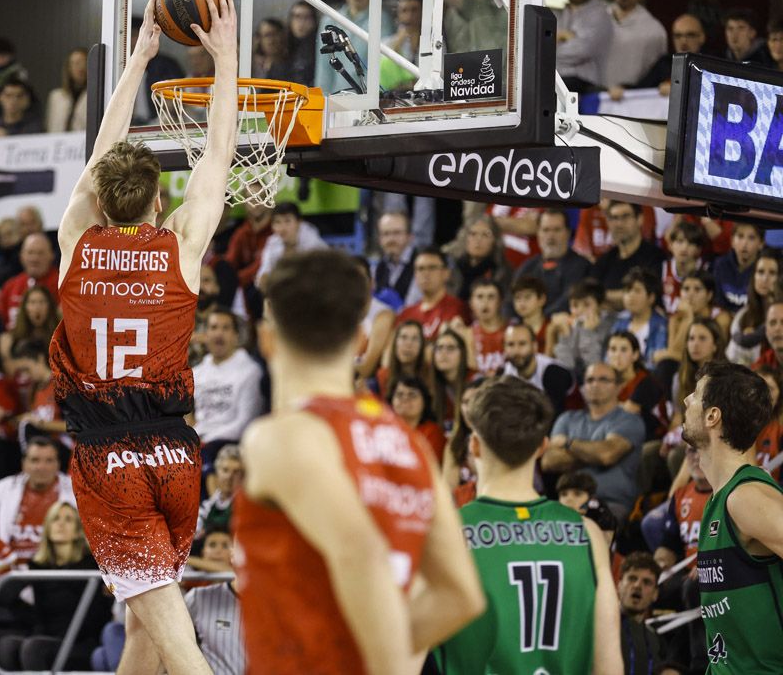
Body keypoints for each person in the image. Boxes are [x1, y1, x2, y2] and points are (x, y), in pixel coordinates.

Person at [47, 0, 239, 675]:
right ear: (160, 199)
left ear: (97, 197)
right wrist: (225, 57)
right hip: (177, 457)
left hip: (108, 460)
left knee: (181, 649)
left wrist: (136, 63)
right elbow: (218, 154)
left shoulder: (76, 240)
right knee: (143, 627)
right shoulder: (181, 246)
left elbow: (100, 155)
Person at [236, 250, 483, 674]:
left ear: (266, 339)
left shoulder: (281, 438)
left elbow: (362, 553)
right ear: (362, 340)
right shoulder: (410, 444)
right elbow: (460, 595)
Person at [434, 375, 622, 675]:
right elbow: (609, 665)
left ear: (474, 446)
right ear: (542, 447)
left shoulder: (448, 534)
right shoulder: (587, 534)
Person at [680, 360, 783, 672]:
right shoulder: (722, 497)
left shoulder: (746, 497)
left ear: (713, 416)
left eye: (695, 395)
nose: (686, 400)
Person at [0, 502, 111, 671]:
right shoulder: (38, 566)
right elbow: (4, 597)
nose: (61, 524)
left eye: (68, 520)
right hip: (47, 637)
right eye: (55, 519)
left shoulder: (93, 564)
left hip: (83, 642)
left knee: (34, 648)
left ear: (78, 531)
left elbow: (100, 611)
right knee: (7, 646)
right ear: (47, 528)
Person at [543, 361, 646, 520]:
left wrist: (568, 444)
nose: (595, 385)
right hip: (568, 503)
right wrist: (593, 454)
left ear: (619, 387)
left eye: (603, 379)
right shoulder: (567, 419)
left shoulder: (630, 421)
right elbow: (549, 461)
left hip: (610, 503)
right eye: (590, 380)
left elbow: (606, 455)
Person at [0, 436, 75, 568]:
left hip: (60, 569)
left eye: (49, 461)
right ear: (24, 464)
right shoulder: (3, 488)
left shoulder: (76, 491)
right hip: (10, 573)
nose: (41, 467)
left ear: (58, 464)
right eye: (35, 460)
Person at [192, 308, 264, 463]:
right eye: (214, 327)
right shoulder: (196, 372)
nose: (219, 333)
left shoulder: (250, 371)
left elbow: (245, 422)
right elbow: (187, 415)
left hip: (229, 445)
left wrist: (205, 440)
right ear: (206, 335)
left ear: (236, 336)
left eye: (225, 328)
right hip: (198, 442)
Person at [512, 209, 591, 315]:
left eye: (557, 230)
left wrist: (539, 320)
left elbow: (567, 302)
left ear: (568, 233)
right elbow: (510, 301)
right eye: (546, 230)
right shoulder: (527, 267)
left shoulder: (582, 266)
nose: (551, 236)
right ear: (538, 233)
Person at [602, 0, 667, 89]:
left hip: (631, 99)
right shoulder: (595, 20)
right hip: (594, 94)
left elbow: (658, 72)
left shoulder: (654, 30)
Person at [555, 0, 614, 92]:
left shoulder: (600, 14)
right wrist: (567, 37)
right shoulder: (560, 14)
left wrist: (552, 46)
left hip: (585, 87)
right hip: (558, 82)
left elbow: (581, 50)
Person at [617, 13, 707, 99]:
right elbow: (641, 89)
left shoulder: (710, 65)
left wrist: (678, 89)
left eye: (690, 35)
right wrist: (623, 90)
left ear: (702, 37)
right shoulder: (664, 63)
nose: (683, 41)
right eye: (678, 36)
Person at [397, 248, 470, 340]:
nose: (425, 273)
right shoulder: (406, 314)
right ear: (415, 274)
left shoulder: (459, 309)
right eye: (420, 269)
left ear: (446, 273)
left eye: (432, 268)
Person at [501, 323, 574, 414]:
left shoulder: (553, 372)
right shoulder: (504, 373)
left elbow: (555, 416)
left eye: (522, 344)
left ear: (535, 346)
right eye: (511, 345)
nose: (516, 351)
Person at [0, 233, 58, 331]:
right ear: (21, 256)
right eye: (30, 253)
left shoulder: (65, 285)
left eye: (40, 253)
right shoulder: (10, 287)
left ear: (52, 255)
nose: (34, 258)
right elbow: (2, 324)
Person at [45, 47, 88, 133]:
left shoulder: (94, 95)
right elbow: (50, 126)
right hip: (59, 143)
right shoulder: (56, 96)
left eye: (84, 62)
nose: (80, 68)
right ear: (68, 68)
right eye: (75, 63)